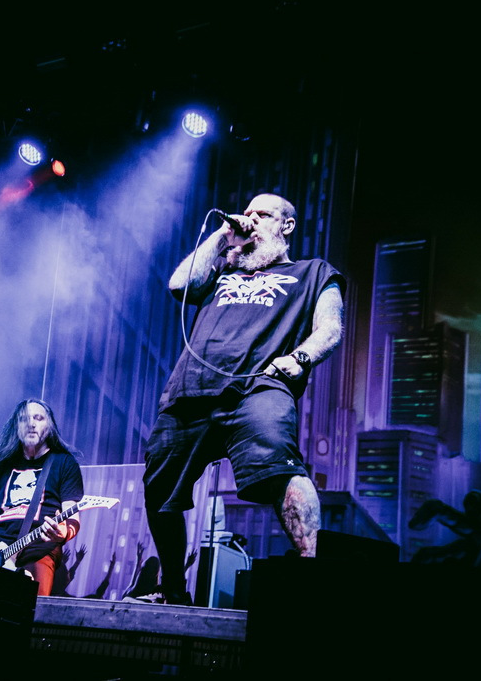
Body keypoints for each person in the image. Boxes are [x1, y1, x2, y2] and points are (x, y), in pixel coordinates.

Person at [142, 193, 345, 604]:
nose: (250, 221)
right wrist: (222, 235)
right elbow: (179, 285)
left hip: (260, 385)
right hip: (192, 388)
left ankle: (311, 575)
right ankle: (173, 589)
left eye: (262, 215)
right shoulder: (222, 269)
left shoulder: (313, 272)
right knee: (158, 487)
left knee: (281, 469)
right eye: (246, 213)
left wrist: (300, 358)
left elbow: (331, 327)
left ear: (286, 226)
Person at [0, 399, 84, 596]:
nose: (31, 424)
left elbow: (72, 515)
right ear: (16, 426)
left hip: (39, 549)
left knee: (26, 603)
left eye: (38, 418)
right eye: (24, 419)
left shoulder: (64, 463)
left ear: (49, 425)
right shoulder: (2, 464)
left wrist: (62, 533)